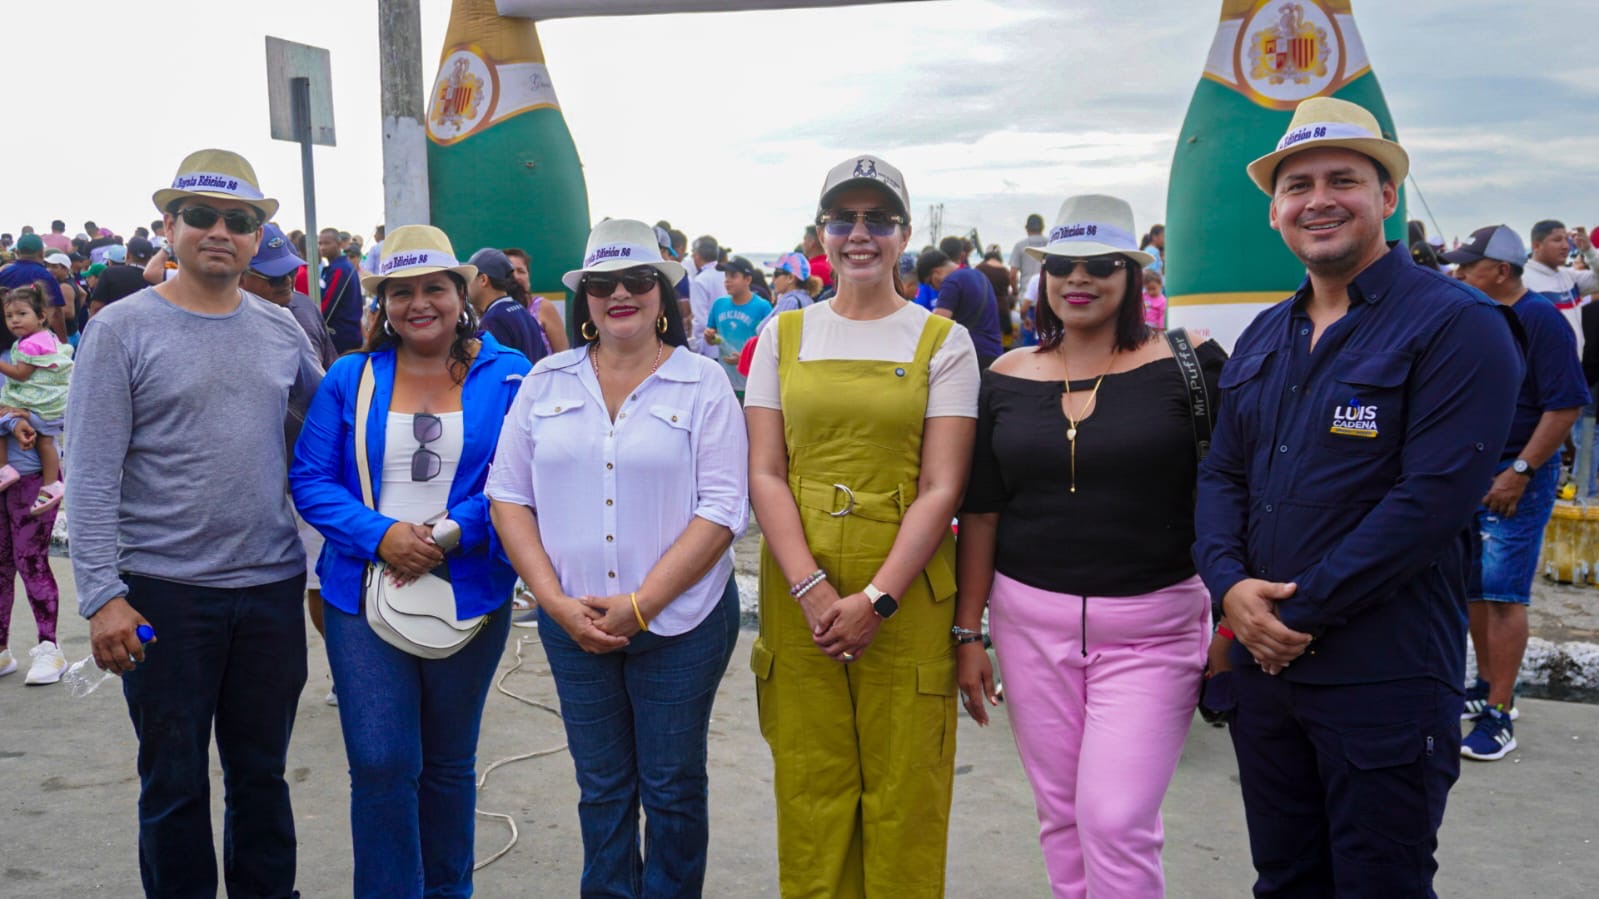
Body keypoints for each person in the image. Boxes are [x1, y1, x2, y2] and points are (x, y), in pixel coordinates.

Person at [1194, 98, 1522, 896]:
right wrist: (1228, 588)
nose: (1318, 199)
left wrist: (1287, 617)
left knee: (1380, 883)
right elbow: (1221, 474)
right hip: (1267, 674)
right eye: (1297, 185)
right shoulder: (1266, 334)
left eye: (1341, 179)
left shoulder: (1455, 324)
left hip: (1383, 677)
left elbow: (1430, 503)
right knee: (1284, 880)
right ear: (1273, 210)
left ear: (1386, 197)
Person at [65, 148, 324, 896]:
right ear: (169, 227)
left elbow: (336, 433)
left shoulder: (281, 330)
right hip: (161, 595)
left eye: (238, 221)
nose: (220, 232)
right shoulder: (120, 331)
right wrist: (102, 595)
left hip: (268, 591)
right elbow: (89, 473)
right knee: (173, 783)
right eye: (202, 216)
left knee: (262, 777)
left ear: (256, 238)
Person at [956, 194, 1224, 897]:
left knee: (1114, 818)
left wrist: (1231, 617)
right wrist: (968, 632)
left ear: (1132, 274)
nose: (1078, 278)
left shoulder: (1190, 362)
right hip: (1028, 628)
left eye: (1101, 264)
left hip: (1153, 630)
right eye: (1061, 265)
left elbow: (1237, 489)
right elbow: (981, 512)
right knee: (1060, 815)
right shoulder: (1005, 376)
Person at [488, 218, 747, 896]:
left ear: (662, 292)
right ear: (586, 298)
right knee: (601, 785)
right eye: (604, 284)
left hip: (682, 623)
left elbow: (723, 507)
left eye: (638, 280)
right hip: (572, 620)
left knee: (671, 785)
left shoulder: (702, 382)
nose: (621, 294)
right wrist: (554, 602)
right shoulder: (545, 380)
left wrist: (642, 604)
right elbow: (508, 495)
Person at [746, 154, 980, 897]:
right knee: (810, 789)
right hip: (799, 589)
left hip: (906, 590)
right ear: (821, 233)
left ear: (904, 234)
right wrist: (811, 588)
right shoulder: (782, 336)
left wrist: (878, 598)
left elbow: (942, 487)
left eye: (878, 219)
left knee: (906, 790)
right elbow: (765, 472)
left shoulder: (943, 343)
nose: (859, 234)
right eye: (843, 219)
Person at [289, 224, 527, 896]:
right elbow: (311, 477)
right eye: (401, 292)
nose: (418, 303)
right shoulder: (351, 375)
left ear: (461, 293)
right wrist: (382, 535)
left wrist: (445, 535)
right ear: (383, 304)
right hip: (362, 590)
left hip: (471, 587)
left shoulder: (510, 374)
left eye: (433, 288)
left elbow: (520, 476)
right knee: (381, 763)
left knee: (449, 764)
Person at [1443, 225, 1588, 760]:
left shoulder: (1540, 320)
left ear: (1501, 271)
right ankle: (1486, 686)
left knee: (1505, 594)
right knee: (1477, 588)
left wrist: (1521, 471)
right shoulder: (1477, 315)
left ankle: (1500, 712)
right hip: (1476, 473)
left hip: (1516, 475)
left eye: (1469, 265)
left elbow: (1565, 405)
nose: (1459, 273)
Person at [0, 395, 65, 685]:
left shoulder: (37, 367)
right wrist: (10, 420)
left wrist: (22, 419)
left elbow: (62, 412)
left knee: (31, 562)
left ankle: (50, 648)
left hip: (33, 480)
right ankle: (1, 651)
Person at [0, 285, 71, 516]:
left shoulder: (30, 344)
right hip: (52, 403)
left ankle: (5, 469)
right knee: (45, 442)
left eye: (21, 314)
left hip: (43, 404)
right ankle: (51, 484)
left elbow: (21, 374)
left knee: (10, 426)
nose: (14, 321)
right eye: (9, 316)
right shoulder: (45, 336)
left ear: (41, 316)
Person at [919, 248, 1005, 369]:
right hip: (994, 352)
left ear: (937, 272)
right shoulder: (979, 275)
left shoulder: (951, 282)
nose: (933, 288)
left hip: (972, 354)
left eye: (930, 282)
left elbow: (937, 324)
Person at [703, 256, 772, 399]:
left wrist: (745, 358)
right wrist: (709, 336)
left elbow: (770, 345)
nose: (727, 280)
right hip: (724, 382)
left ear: (748, 280)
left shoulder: (763, 307)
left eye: (733, 276)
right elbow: (712, 338)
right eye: (726, 276)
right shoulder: (719, 304)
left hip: (752, 383)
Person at [466, 246, 549, 365]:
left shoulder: (493, 320)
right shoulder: (522, 311)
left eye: (470, 278)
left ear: (483, 280)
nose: (466, 285)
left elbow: (497, 370)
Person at [502, 246, 570, 353]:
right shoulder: (492, 314)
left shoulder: (543, 307)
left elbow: (563, 354)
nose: (516, 276)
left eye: (521, 271)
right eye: (510, 272)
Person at [319, 226, 363, 352]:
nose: (322, 247)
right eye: (320, 243)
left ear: (339, 244)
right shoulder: (344, 266)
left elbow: (328, 302)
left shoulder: (339, 269)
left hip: (340, 334)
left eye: (327, 243)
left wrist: (316, 320)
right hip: (350, 331)